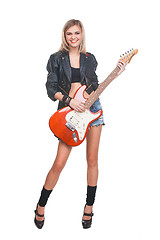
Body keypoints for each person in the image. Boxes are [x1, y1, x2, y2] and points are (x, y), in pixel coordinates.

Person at [34, 19, 126, 229]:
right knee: (59, 163)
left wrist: (116, 74)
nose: (73, 37)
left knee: (92, 160)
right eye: (69, 34)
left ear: (82, 34)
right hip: (69, 114)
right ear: (64, 36)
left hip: (93, 112)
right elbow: (51, 88)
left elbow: (94, 85)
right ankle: (41, 205)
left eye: (77, 33)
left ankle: (89, 207)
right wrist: (70, 101)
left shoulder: (89, 58)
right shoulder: (56, 59)